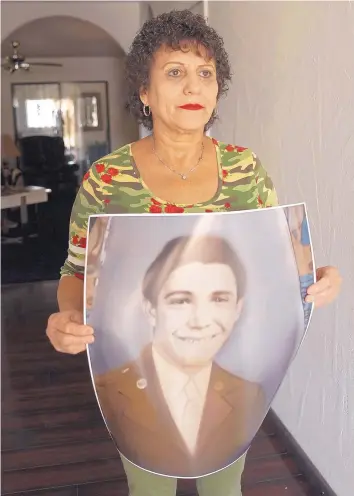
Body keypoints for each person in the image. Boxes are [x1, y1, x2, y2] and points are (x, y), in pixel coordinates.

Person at [46, 9, 342, 496]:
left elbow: (283, 261)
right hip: (139, 375)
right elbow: (76, 272)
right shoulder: (107, 179)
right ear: (144, 91)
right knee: (150, 488)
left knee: (224, 487)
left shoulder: (244, 169)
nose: (193, 88)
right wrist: (64, 316)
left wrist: (319, 278)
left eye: (206, 74)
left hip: (228, 371)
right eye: (175, 73)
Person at [94, 235, 265, 477]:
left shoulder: (249, 394)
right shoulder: (110, 388)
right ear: (151, 309)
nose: (200, 321)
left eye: (219, 299)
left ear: (237, 309)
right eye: (181, 300)